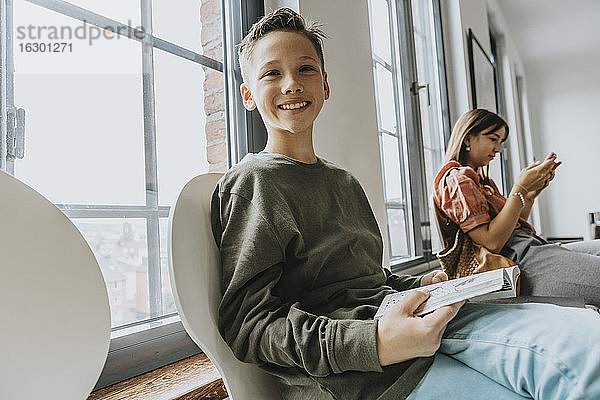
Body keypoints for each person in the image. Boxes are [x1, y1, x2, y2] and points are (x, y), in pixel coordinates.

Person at [210, 8, 600, 399]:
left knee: (580, 333)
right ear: (248, 94)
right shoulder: (253, 183)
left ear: (325, 85)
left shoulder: (343, 182)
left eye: (306, 69)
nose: (292, 83)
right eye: (271, 73)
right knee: (580, 358)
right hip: (362, 378)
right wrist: (375, 342)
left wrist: (420, 284)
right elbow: (250, 325)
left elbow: (369, 282)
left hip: (418, 334)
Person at [433, 109, 600, 306]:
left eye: (500, 142)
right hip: (522, 262)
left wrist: (528, 196)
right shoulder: (458, 180)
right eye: (493, 139)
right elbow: (491, 243)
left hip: (531, 248)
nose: (498, 149)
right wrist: (519, 188)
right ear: (468, 138)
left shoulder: (481, 182)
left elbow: (512, 227)